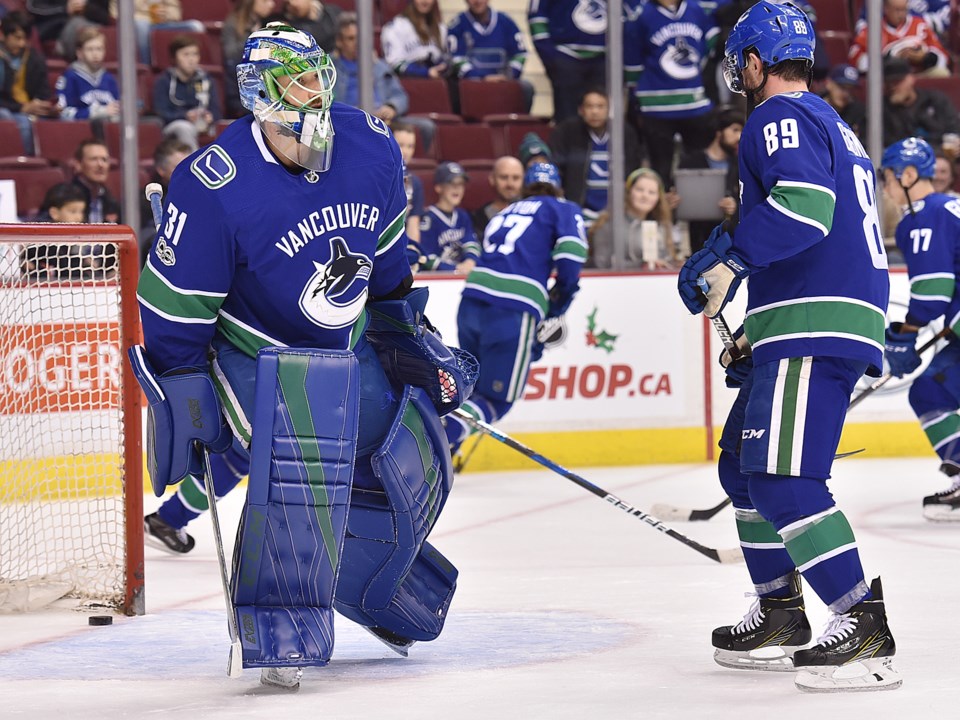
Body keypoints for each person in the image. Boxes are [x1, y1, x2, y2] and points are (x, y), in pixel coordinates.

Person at [132, 22, 468, 689]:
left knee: (410, 443)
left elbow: (389, 253)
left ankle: (368, 576)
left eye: (319, 75)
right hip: (253, 350)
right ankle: (281, 615)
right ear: (260, 95)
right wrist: (181, 381)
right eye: (298, 82)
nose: (315, 94)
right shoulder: (212, 183)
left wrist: (403, 327)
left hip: (340, 344)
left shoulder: (370, 144)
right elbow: (174, 310)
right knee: (303, 455)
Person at [677, 2, 899, 692]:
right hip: (809, 315)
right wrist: (758, 325)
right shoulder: (827, 119)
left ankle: (858, 617)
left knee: (783, 479)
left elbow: (806, 209)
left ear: (753, 61)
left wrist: (729, 259)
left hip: (818, 321)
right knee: (743, 469)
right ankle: (779, 608)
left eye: (739, 62)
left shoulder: (777, 116)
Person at [445, 161, 586, 451]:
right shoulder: (563, 208)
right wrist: (558, 305)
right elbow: (571, 260)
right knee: (497, 399)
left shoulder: (505, 211)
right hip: (512, 308)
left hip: (471, 300)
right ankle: (439, 441)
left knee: (471, 388)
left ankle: (445, 451)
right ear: (558, 186)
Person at [880, 137, 960, 520]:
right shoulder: (950, 206)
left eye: (888, 179)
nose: (885, 188)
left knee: (930, 392)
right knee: (931, 391)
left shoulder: (921, 218)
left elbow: (932, 294)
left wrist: (905, 334)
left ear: (908, 175)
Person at [624, 0, 718, 188]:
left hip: (694, 104)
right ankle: (662, 215)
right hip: (656, 106)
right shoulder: (641, 14)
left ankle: (697, 214)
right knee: (660, 169)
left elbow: (711, 39)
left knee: (699, 166)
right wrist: (638, 95)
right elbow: (632, 58)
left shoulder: (695, 9)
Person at [331, 12, 435, 147]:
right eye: (351, 38)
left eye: (359, 38)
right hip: (351, 123)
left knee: (427, 127)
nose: (357, 43)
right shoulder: (329, 68)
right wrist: (362, 113)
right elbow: (330, 105)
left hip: (385, 120)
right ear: (339, 41)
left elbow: (400, 96)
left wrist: (391, 107)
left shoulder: (379, 66)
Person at [548, 87, 644, 226]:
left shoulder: (624, 132)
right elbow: (556, 166)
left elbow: (634, 170)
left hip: (617, 213)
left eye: (600, 106)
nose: (595, 111)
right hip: (579, 212)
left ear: (609, 109)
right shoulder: (566, 131)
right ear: (581, 110)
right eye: (589, 106)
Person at [676, 106, 742, 253]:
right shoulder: (690, 162)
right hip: (697, 242)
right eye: (735, 130)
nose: (739, 136)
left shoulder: (742, 164)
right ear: (719, 132)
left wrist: (735, 207)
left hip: (732, 244)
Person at [447, 0, 533, 112]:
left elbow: (520, 53)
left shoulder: (506, 22)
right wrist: (482, 78)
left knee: (526, 88)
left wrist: (508, 76)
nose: (477, 1)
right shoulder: (457, 25)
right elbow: (456, 58)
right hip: (471, 85)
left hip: (503, 82)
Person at [528, 0, 606, 123]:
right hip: (566, 57)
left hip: (605, 59)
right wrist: (552, 58)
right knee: (567, 119)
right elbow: (537, 16)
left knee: (603, 118)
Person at [588, 167, 676, 270]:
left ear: (658, 198)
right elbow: (601, 264)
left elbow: (667, 260)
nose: (645, 196)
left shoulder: (661, 226)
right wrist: (641, 265)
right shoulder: (608, 224)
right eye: (639, 190)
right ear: (629, 192)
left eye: (651, 192)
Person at [0, 11, 58, 155]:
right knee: (15, 120)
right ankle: (24, 162)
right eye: (17, 38)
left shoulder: (34, 58)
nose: (22, 43)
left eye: (25, 39)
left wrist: (43, 106)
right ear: (3, 35)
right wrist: (22, 107)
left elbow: (43, 92)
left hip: (28, 108)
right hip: (7, 108)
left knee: (63, 119)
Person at [152, 34, 221, 150]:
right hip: (174, 125)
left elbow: (217, 111)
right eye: (186, 54)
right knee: (185, 128)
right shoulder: (164, 81)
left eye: (195, 54)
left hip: (203, 124)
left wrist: (211, 117)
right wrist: (185, 116)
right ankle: (193, 165)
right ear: (174, 58)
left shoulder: (207, 80)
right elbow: (161, 113)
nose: (191, 59)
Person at [850, 0, 949, 76]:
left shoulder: (921, 26)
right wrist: (892, 58)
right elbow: (857, 59)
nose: (901, 14)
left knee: (942, 73)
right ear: (886, 9)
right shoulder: (872, 30)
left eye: (904, 10)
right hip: (889, 79)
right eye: (897, 10)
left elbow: (942, 56)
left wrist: (925, 58)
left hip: (920, 75)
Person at [882, 55, 960, 150]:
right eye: (888, 82)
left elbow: (953, 128)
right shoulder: (883, 110)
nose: (892, 87)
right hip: (902, 158)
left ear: (910, 79)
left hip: (941, 154)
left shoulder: (935, 100)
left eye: (897, 82)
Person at [415, 161, 479, 273]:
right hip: (438, 279)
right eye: (451, 183)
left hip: (461, 275)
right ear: (439, 187)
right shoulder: (428, 219)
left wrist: (470, 261)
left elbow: (471, 243)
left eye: (460, 184)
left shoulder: (463, 216)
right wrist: (454, 269)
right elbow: (425, 257)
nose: (457, 188)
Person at [137, 136, 191, 266]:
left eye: (190, 166)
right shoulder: (147, 200)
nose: (188, 172)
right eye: (179, 167)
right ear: (161, 170)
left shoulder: (203, 196)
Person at [20, 182, 88, 281]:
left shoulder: (76, 239)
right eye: (73, 211)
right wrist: (25, 262)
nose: (79, 217)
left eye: (81, 211)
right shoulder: (39, 239)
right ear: (54, 213)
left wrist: (86, 262)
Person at [221, 0, 277, 117]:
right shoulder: (233, 23)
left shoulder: (268, 23)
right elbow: (230, 55)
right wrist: (252, 36)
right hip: (241, 81)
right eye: (265, 1)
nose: (271, 4)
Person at [55, 24, 120, 121]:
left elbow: (117, 108)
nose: (95, 54)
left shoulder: (109, 78)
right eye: (90, 49)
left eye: (99, 49)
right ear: (79, 53)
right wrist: (100, 112)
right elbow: (63, 113)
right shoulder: (70, 77)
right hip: (81, 132)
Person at [380, 0, 448, 79]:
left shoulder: (441, 29)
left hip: (437, 82)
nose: (425, 1)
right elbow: (394, 64)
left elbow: (447, 58)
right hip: (407, 83)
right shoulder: (395, 27)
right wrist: (424, 72)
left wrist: (443, 67)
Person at [125, 0, 204, 66]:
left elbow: (175, 11)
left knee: (196, 26)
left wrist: (166, 15)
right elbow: (116, 12)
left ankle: (198, 70)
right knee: (142, 26)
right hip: (137, 23)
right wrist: (147, 15)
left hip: (163, 23)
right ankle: (146, 66)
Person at [26, 0, 110, 61]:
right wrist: (65, 8)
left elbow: (105, 17)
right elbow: (34, 7)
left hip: (89, 24)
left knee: (83, 27)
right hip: (55, 26)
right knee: (76, 24)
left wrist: (86, 6)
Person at [470, 154, 523, 236]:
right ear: (492, 179)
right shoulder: (478, 218)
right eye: (504, 177)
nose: (510, 184)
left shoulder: (536, 212)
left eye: (516, 178)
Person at [69, 137, 119, 223]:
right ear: (78, 165)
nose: (100, 165)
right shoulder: (65, 197)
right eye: (94, 159)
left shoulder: (110, 200)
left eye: (104, 160)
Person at [392, 121, 425, 246]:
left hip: (400, 246)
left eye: (410, 146)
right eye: (401, 145)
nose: (406, 151)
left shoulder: (415, 183)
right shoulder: (377, 177)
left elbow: (413, 224)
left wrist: (414, 251)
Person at [820, 63, 865, 140]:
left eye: (850, 90)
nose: (846, 94)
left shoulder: (859, 112)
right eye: (842, 87)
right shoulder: (814, 107)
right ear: (828, 84)